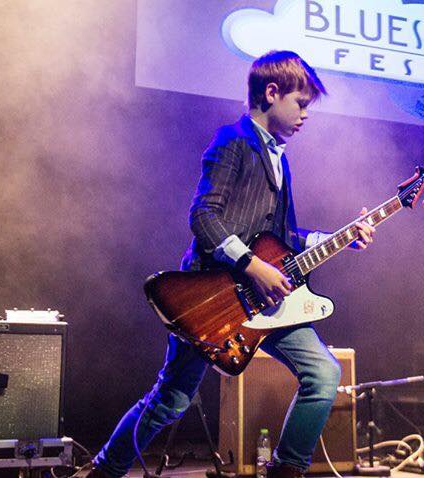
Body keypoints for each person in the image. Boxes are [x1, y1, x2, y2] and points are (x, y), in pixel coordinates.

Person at [75, 50, 375, 478]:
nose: (307, 115)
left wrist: (336, 239)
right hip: (211, 298)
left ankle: (286, 471)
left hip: (262, 302)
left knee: (323, 373)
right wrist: (252, 265)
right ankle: (103, 471)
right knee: (170, 400)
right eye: (301, 103)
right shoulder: (232, 140)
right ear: (272, 93)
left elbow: (283, 237)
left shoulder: (281, 158)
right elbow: (203, 217)